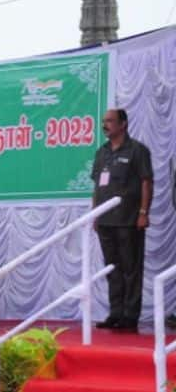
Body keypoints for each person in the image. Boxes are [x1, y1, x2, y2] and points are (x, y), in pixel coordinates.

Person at [92, 109, 153, 331]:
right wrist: (94, 214)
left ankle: (130, 315)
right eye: (103, 121)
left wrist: (143, 213)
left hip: (129, 219)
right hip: (106, 221)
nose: (105, 125)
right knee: (112, 268)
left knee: (131, 268)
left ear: (123, 124)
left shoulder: (138, 150)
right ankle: (115, 312)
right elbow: (97, 186)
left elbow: (146, 182)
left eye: (109, 121)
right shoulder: (102, 152)